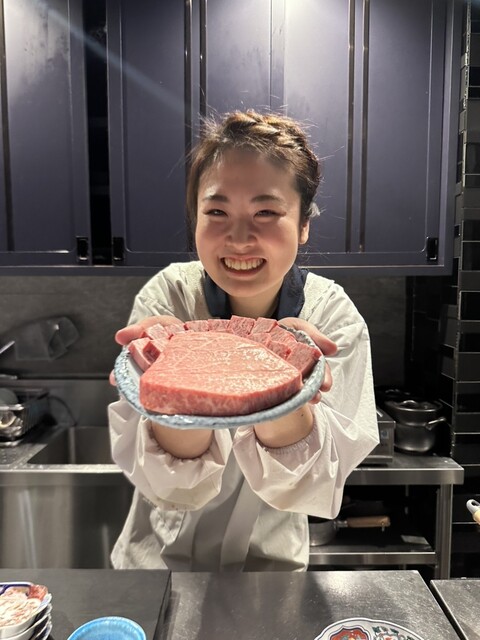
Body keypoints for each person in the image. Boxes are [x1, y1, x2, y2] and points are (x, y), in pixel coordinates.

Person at [108, 109, 379, 571]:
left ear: (304, 223)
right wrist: (175, 375)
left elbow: (313, 484)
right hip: (157, 565)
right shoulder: (169, 299)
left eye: (266, 212)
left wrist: (288, 382)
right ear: (195, 219)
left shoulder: (331, 315)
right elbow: (169, 483)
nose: (238, 238)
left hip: (269, 568)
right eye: (216, 211)